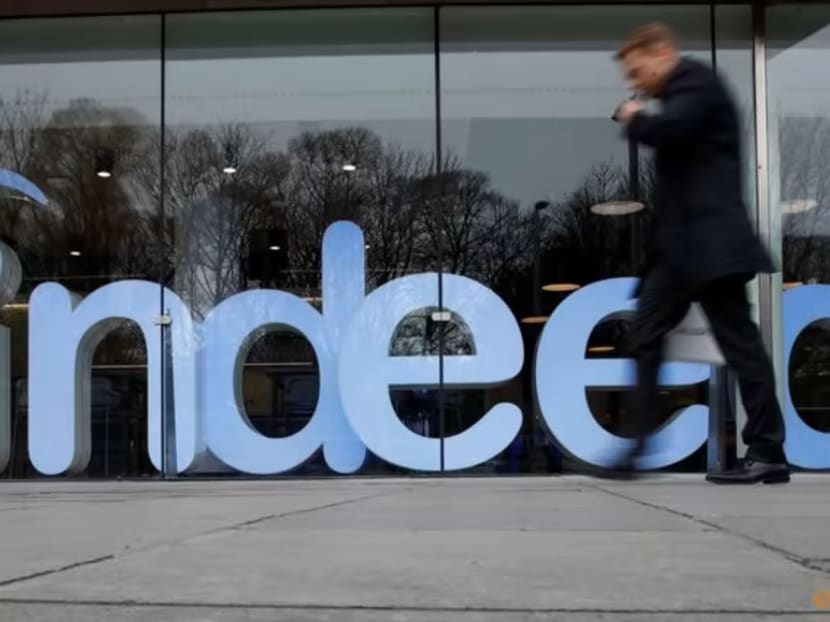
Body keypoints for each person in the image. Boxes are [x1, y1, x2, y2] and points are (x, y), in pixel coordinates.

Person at [612, 23, 789, 484]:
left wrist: (636, 116)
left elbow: (674, 130)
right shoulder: (681, 90)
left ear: (660, 53)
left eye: (638, 69)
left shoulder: (694, 81)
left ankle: (768, 451)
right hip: (680, 252)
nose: (637, 81)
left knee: (740, 347)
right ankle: (637, 447)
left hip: (711, 247)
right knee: (646, 334)